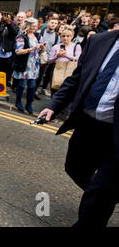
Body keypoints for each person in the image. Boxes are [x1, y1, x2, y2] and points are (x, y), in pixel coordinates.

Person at [38, 28, 119, 227]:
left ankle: (101, 199)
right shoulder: (99, 41)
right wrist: (53, 106)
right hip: (89, 124)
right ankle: (106, 194)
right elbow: (77, 78)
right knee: (75, 168)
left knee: (100, 192)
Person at [13, 18, 45, 114]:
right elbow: (18, 51)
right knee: (22, 84)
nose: (34, 28)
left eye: (36, 26)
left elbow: (41, 50)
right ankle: (18, 102)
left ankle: (29, 104)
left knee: (32, 86)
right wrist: (32, 48)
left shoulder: (38, 36)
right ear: (28, 26)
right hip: (25, 65)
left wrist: (43, 48)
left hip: (34, 65)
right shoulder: (21, 37)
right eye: (32, 26)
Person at [47, 27, 82, 96]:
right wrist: (57, 56)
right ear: (61, 37)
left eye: (68, 36)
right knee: (55, 88)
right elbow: (49, 61)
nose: (65, 38)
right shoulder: (56, 47)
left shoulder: (76, 46)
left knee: (67, 90)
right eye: (63, 36)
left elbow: (78, 59)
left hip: (70, 68)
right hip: (57, 68)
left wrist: (66, 55)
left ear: (72, 37)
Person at [35, 16, 61, 97]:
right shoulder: (40, 32)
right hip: (35, 57)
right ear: (48, 23)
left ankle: (34, 91)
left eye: (55, 23)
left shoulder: (57, 37)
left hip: (45, 60)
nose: (53, 25)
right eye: (52, 22)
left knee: (40, 76)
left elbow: (55, 48)